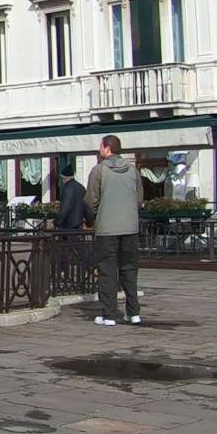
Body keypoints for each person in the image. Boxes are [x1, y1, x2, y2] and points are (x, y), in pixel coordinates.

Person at [87, 135, 143, 327]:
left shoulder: (99, 170)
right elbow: (139, 199)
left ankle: (109, 315)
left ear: (106, 148)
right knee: (129, 269)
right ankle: (133, 313)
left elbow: (91, 201)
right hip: (130, 227)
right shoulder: (133, 170)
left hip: (107, 228)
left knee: (107, 271)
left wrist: (94, 218)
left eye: (100, 147)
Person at [55, 158, 89, 236]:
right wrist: (89, 221)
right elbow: (86, 205)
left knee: (68, 246)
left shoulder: (67, 189)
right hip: (79, 223)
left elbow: (65, 208)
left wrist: (57, 222)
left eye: (62, 178)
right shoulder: (81, 187)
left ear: (65, 178)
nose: (62, 181)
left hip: (68, 226)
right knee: (78, 246)